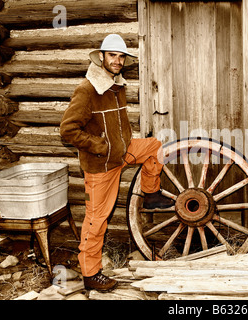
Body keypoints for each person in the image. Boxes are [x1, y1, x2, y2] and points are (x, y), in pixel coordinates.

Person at [60, 34, 173, 291]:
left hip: (122, 154)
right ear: (101, 57)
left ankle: (151, 193)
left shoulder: (116, 86)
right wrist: (99, 145)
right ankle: (90, 273)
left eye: (121, 56)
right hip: (101, 165)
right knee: (96, 219)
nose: (118, 61)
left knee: (155, 147)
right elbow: (67, 130)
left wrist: (120, 143)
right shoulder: (87, 90)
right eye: (113, 55)